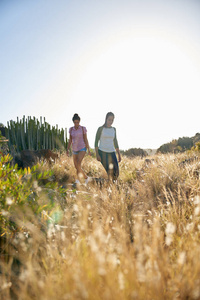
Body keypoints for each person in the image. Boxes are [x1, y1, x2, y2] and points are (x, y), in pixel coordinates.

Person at [95, 112, 121, 181]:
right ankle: (110, 187)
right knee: (110, 172)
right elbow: (96, 141)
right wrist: (97, 154)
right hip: (102, 152)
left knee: (117, 173)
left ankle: (111, 186)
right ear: (106, 119)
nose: (111, 122)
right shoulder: (100, 129)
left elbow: (115, 141)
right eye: (109, 120)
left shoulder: (114, 129)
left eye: (112, 120)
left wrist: (118, 154)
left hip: (112, 152)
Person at [67, 113, 91, 184]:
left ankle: (78, 180)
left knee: (78, 163)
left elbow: (86, 139)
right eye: (75, 122)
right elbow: (70, 140)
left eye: (77, 122)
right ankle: (86, 177)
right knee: (76, 166)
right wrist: (68, 149)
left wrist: (88, 149)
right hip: (74, 149)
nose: (76, 124)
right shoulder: (71, 129)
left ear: (79, 122)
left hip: (82, 148)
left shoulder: (83, 129)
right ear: (73, 122)